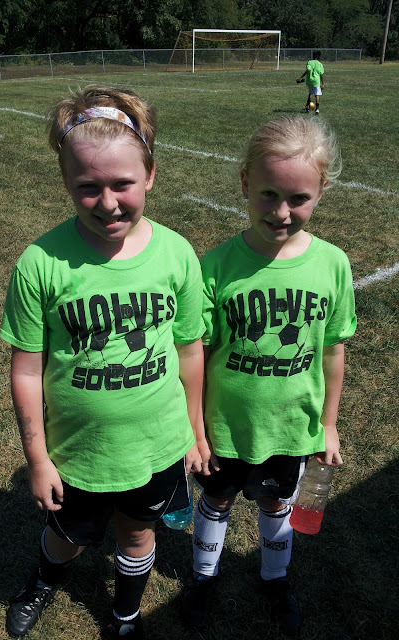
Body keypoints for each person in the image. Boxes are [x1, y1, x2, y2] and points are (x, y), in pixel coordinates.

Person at [0, 86, 207, 639]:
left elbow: (189, 350)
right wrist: (37, 458)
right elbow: (26, 369)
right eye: (88, 187)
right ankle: (44, 581)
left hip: (157, 444)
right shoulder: (40, 263)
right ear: (66, 182)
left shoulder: (176, 253)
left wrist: (193, 432)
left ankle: (126, 615)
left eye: (122, 184)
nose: (108, 202)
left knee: (138, 535)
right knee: (67, 536)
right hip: (79, 452)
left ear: (151, 175)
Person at [182, 117, 356, 637]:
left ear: (321, 191)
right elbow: (197, 354)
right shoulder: (216, 265)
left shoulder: (332, 265)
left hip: (290, 426)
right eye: (268, 194)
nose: (281, 212)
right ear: (244, 183)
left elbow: (333, 351)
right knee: (216, 499)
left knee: (278, 501)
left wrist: (328, 425)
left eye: (298, 198)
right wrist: (196, 429)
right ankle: (203, 577)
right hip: (225, 427)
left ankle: (275, 579)